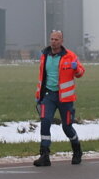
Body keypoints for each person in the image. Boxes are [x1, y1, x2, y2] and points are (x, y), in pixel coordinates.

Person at [33, 30, 86, 167]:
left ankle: (77, 150)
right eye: (51, 39)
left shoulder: (70, 56)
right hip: (48, 95)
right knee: (45, 122)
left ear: (62, 41)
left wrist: (75, 69)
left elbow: (80, 73)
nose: (53, 41)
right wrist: (38, 95)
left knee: (66, 127)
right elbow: (42, 77)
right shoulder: (44, 55)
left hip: (65, 98)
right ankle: (44, 154)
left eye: (56, 39)